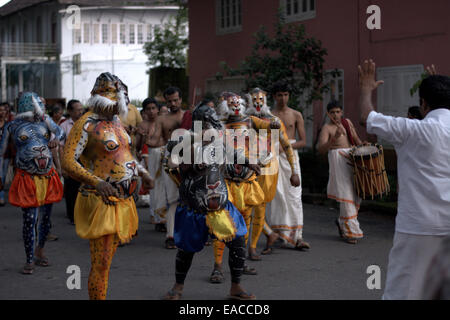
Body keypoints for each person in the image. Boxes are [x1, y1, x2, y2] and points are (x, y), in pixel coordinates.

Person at [358, 59, 450, 299]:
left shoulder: (413, 130)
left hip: (418, 227)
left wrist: (367, 89)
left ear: (422, 104)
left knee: (403, 290)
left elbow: (367, 117)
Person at [61, 72, 154, 300]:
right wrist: (97, 182)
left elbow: (125, 154)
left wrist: (143, 173)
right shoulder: (86, 123)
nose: (118, 108)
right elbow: (67, 161)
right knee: (101, 263)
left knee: (106, 261)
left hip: (122, 199)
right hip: (99, 199)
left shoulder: (116, 123)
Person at [164, 103, 256, 300]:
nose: (209, 129)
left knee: (238, 240)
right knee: (187, 250)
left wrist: (249, 162)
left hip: (219, 205)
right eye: (205, 125)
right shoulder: (183, 140)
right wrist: (189, 163)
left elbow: (233, 154)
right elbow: (170, 163)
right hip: (194, 208)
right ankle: (177, 288)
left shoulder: (218, 141)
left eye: (211, 124)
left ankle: (236, 287)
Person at [0, 92, 65, 275]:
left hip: (47, 176)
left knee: (45, 219)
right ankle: (29, 259)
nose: (40, 108)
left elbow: (59, 132)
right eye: (38, 104)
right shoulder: (12, 126)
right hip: (26, 177)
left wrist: (54, 142)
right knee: (30, 220)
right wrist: (1, 175)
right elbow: (1, 151)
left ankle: (40, 251)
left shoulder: (45, 123)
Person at [243, 87, 303, 259]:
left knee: (258, 207)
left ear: (266, 101)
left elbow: (286, 145)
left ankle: (253, 247)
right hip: (247, 168)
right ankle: (267, 234)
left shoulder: (275, 121)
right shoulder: (244, 121)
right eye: (255, 100)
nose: (258, 103)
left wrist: (294, 171)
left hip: (269, 170)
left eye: (261, 100)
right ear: (249, 102)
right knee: (245, 206)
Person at [261, 83, 309, 253]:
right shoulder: (268, 116)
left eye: (286, 94)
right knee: (276, 195)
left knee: (294, 195)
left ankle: (298, 237)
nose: (283, 98)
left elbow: (303, 141)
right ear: (274, 96)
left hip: (290, 158)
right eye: (279, 95)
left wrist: (285, 146)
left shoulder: (296, 115)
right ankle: (279, 233)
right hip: (273, 158)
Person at [317, 100, 364, 244]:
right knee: (346, 196)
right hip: (338, 163)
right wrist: (335, 138)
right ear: (328, 114)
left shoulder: (347, 123)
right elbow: (321, 149)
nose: (336, 115)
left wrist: (365, 147)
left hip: (351, 160)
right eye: (332, 112)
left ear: (341, 112)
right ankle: (351, 232)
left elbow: (355, 140)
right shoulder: (327, 128)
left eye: (338, 112)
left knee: (356, 195)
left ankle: (342, 223)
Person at [146, 87, 185, 249]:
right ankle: (170, 236)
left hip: (191, 160)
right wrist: (144, 137)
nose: (173, 103)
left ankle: (196, 233)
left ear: (181, 100)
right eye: (169, 101)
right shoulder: (162, 120)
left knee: (194, 198)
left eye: (176, 100)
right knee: (173, 200)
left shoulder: (190, 116)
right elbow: (154, 141)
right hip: (171, 160)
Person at [59, 99, 84, 224]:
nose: (80, 112)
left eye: (81, 109)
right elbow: (60, 146)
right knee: (71, 189)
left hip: (85, 159)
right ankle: (73, 216)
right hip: (71, 159)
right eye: (77, 110)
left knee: (85, 188)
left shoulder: (87, 124)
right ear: (70, 111)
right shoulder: (64, 126)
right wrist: (63, 166)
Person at [0, 103, 10, 206]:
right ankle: (1, 197)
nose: (2, 112)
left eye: (3, 110)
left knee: (2, 176)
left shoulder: (8, 125)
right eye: (0, 110)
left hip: (6, 154)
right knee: (0, 175)